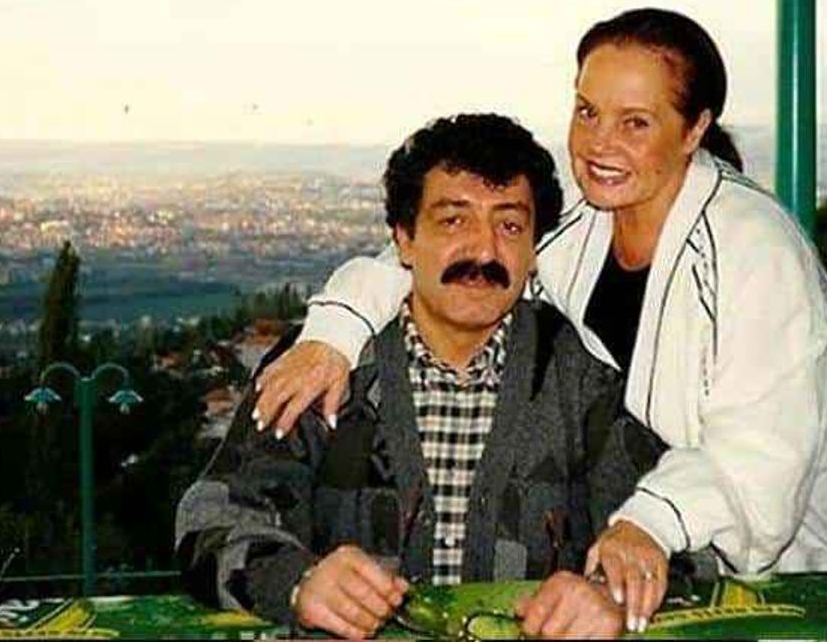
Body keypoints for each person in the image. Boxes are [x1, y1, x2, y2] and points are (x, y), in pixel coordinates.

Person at [253, 8, 827, 633]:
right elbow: (457, 262)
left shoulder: (756, 253)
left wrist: (648, 523)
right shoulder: (585, 227)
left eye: (635, 122)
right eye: (587, 112)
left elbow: (758, 457)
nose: (599, 143)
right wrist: (334, 335)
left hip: (787, 564)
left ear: (695, 129)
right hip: (654, 535)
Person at [176, 113, 641, 639]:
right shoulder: (328, 369)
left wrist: (607, 592)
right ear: (403, 239)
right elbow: (210, 517)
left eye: (510, 226)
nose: (485, 251)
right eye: (454, 221)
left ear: (535, 250)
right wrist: (297, 582)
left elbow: (663, 530)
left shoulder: (579, 377)